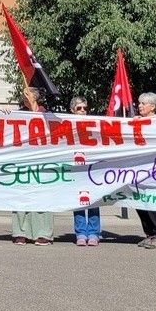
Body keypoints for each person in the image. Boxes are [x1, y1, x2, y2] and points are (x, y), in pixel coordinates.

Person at [12, 87, 54, 246]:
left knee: (42, 196)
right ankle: (20, 232)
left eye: (27, 95)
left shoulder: (47, 115)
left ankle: (43, 233)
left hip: (43, 161)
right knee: (21, 195)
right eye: (22, 95)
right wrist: (4, 115)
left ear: (35, 98)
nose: (24, 97)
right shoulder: (18, 115)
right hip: (22, 161)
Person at [134, 92, 156, 249]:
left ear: (152, 107)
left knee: (155, 201)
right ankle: (149, 234)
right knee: (140, 201)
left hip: (155, 168)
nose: (139, 106)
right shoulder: (136, 122)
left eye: (143, 103)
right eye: (139, 103)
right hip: (138, 169)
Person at [68, 96, 101, 247]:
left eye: (85, 108)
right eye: (79, 108)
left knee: (93, 199)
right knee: (79, 200)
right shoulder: (66, 124)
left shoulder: (94, 124)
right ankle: (81, 233)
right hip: (76, 168)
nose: (83, 111)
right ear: (72, 110)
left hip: (92, 168)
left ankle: (94, 232)